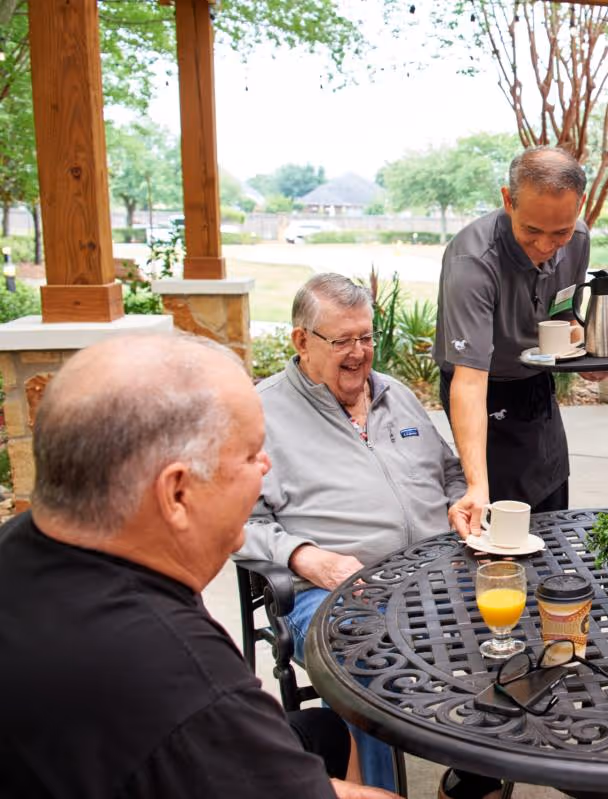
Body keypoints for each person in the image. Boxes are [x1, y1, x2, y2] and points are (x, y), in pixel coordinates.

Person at [0, 333, 398, 799]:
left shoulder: (27, 542)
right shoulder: (180, 681)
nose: (266, 467)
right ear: (177, 493)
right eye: (250, 455)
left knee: (326, 732)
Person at [236, 274, 479, 797]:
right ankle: (375, 789)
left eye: (366, 337)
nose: (359, 353)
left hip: (437, 574)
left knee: (521, 618)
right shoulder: (261, 413)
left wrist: (462, 500)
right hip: (335, 592)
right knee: (364, 656)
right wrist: (303, 557)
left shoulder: (396, 395)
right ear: (301, 341)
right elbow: (233, 524)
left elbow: (450, 473)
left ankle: (474, 777)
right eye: (341, 340)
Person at [435, 146, 607, 539]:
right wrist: (476, 485)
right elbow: (469, 378)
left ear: (579, 206)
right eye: (532, 230)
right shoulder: (473, 261)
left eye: (559, 232)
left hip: (536, 380)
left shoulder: (578, 240)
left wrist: (591, 357)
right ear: (507, 200)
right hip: (483, 389)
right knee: (500, 513)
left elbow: (563, 319)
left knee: (551, 488)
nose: (546, 247)